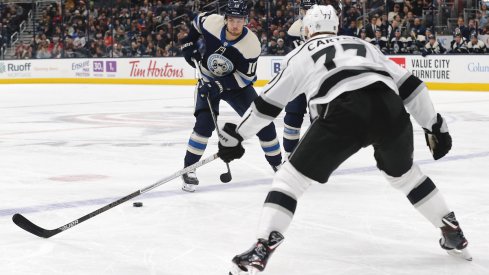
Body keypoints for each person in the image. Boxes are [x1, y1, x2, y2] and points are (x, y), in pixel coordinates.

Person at [217, 5, 471, 274]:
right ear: (336, 28)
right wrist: (434, 126)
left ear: (307, 29)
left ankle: (260, 251)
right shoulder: (363, 44)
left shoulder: (303, 51)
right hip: (390, 107)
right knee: (406, 176)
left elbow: (268, 103)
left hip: (342, 109)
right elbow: (411, 86)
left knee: (289, 181)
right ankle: (451, 229)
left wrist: (237, 135)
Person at [179, 0, 282, 192]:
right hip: (208, 80)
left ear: (246, 21)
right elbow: (195, 23)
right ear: (226, 19)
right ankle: (189, 169)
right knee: (204, 124)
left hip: (237, 87)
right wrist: (189, 42)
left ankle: (278, 165)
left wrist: (221, 84)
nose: (235, 24)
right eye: (232, 19)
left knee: (263, 122)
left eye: (240, 20)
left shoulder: (251, 45)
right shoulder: (211, 22)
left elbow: (246, 78)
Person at [282, 0, 317, 158]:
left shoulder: (327, 28)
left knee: (319, 120)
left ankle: (317, 155)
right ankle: (290, 155)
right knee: (292, 116)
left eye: (310, 10)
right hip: (298, 80)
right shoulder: (295, 29)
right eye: (305, 10)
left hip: (318, 81)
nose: (306, 13)